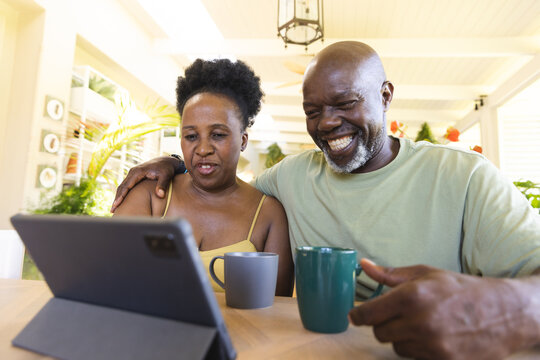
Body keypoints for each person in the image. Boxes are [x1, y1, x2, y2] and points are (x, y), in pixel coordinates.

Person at [111, 42, 540, 359]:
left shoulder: (464, 176)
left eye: (345, 103)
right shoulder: (291, 178)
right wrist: (173, 164)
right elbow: (223, 182)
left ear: (386, 96)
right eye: (312, 110)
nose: (328, 123)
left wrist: (508, 307)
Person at [113, 58, 294, 297]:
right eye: (191, 136)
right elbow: (111, 279)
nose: (203, 149)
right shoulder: (150, 193)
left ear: (243, 141)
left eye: (218, 135)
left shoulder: (268, 216)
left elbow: (275, 311)